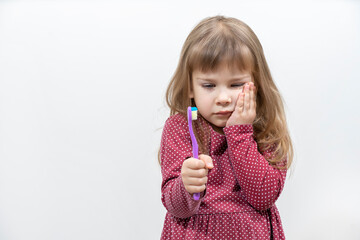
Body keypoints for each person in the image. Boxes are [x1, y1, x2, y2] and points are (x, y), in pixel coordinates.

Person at [159, 15, 293, 239]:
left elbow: (264, 197)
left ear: (256, 83)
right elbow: (176, 208)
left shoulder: (267, 129)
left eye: (236, 84)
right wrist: (186, 186)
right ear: (190, 87)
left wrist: (240, 133)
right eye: (209, 85)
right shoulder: (181, 128)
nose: (223, 98)